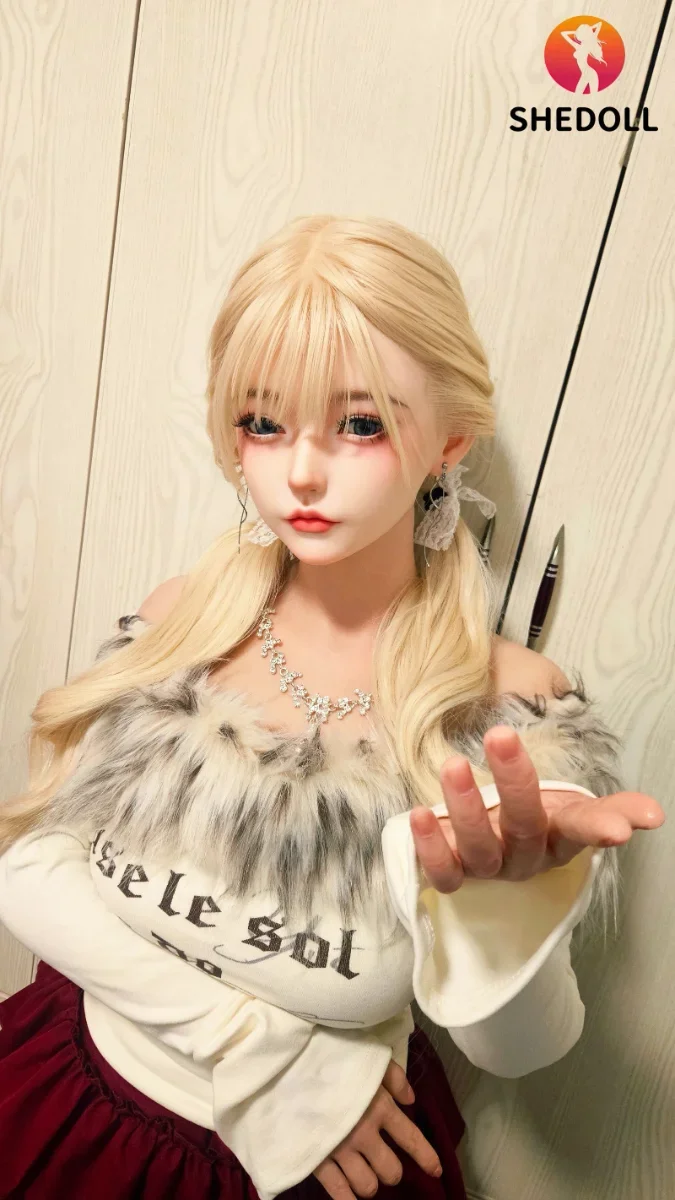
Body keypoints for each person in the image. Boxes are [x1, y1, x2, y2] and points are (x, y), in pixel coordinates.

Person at [0, 214, 664, 1200]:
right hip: (70, 1103)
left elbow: (521, 1051)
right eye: (263, 423)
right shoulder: (184, 623)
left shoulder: (506, 707)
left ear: (450, 437)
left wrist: (507, 913)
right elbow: (32, 873)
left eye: (360, 424)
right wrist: (268, 1053)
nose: (301, 472)